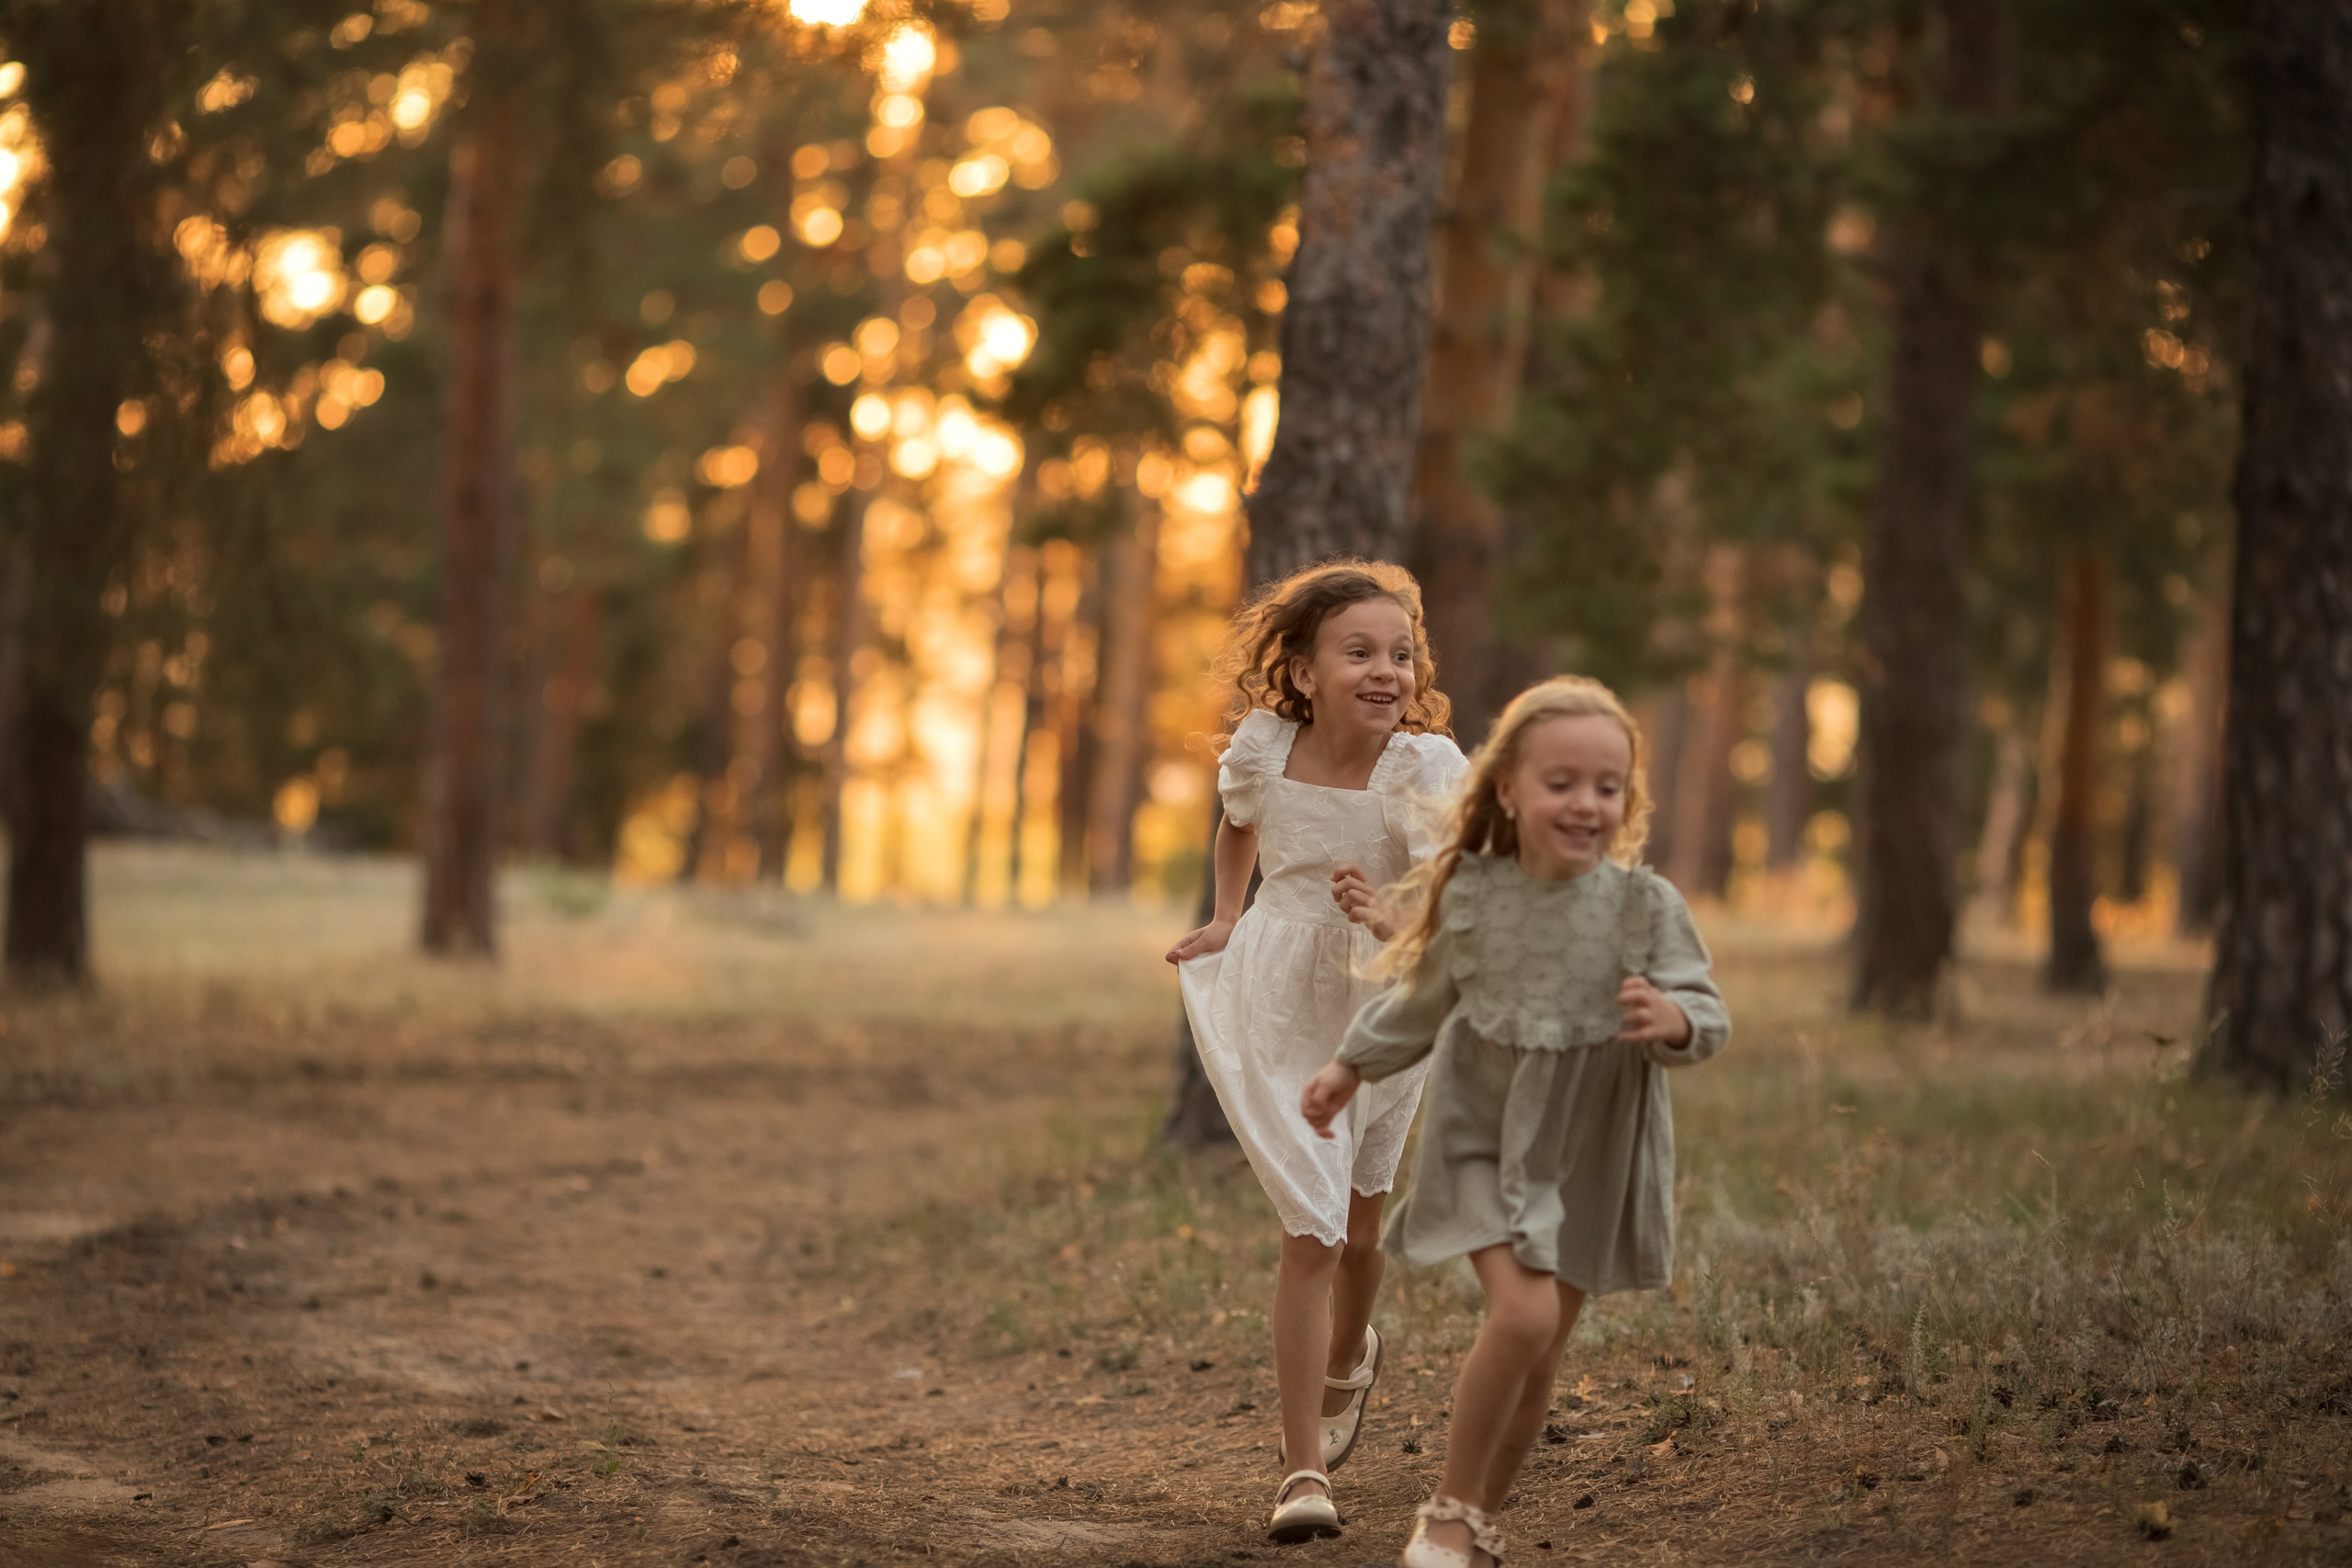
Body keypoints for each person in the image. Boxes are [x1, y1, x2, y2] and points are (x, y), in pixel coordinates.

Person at [1299, 675, 1730, 1568]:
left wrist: (1675, 1020)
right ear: (1508, 790)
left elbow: (1705, 1009)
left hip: (1589, 1154)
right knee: (1525, 1317)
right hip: (1483, 1139)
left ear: (1628, 800)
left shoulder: (1644, 906)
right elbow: (1420, 1002)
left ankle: (1477, 1521)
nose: (1586, 805)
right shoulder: (1475, 896)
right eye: (1561, 783)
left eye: (1606, 788)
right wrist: (1348, 1065)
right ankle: (1449, 1512)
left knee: (1540, 1354)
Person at [1166, 559, 1468, 1544]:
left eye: (1400, 653)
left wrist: (1388, 912)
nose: (1387, 670)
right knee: (1313, 1231)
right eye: (1360, 652)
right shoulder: (1265, 748)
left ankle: (1351, 1357)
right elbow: (1238, 824)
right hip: (1280, 989)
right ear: (1301, 673)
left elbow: (1456, 885)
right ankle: (1302, 1471)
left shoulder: (1423, 769)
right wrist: (1224, 917)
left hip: (1380, 999)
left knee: (1362, 1229)